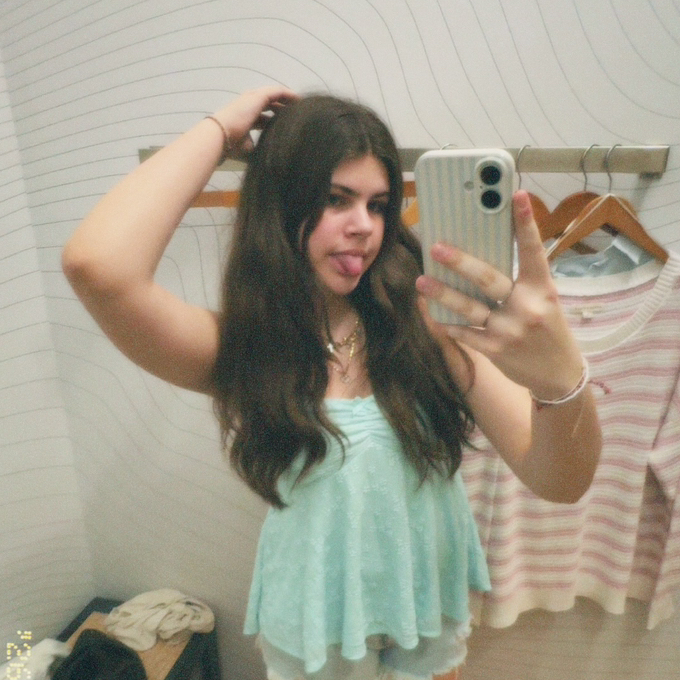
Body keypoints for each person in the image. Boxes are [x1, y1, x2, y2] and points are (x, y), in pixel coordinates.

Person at [62, 86, 602, 680]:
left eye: (379, 205)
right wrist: (221, 130)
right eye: (334, 199)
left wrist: (560, 378)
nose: (364, 226)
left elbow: (561, 481)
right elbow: (98, 267)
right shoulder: (245, 349)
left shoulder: (431, 320)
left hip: (426, 602)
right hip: (315, 620)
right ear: (280, 205)